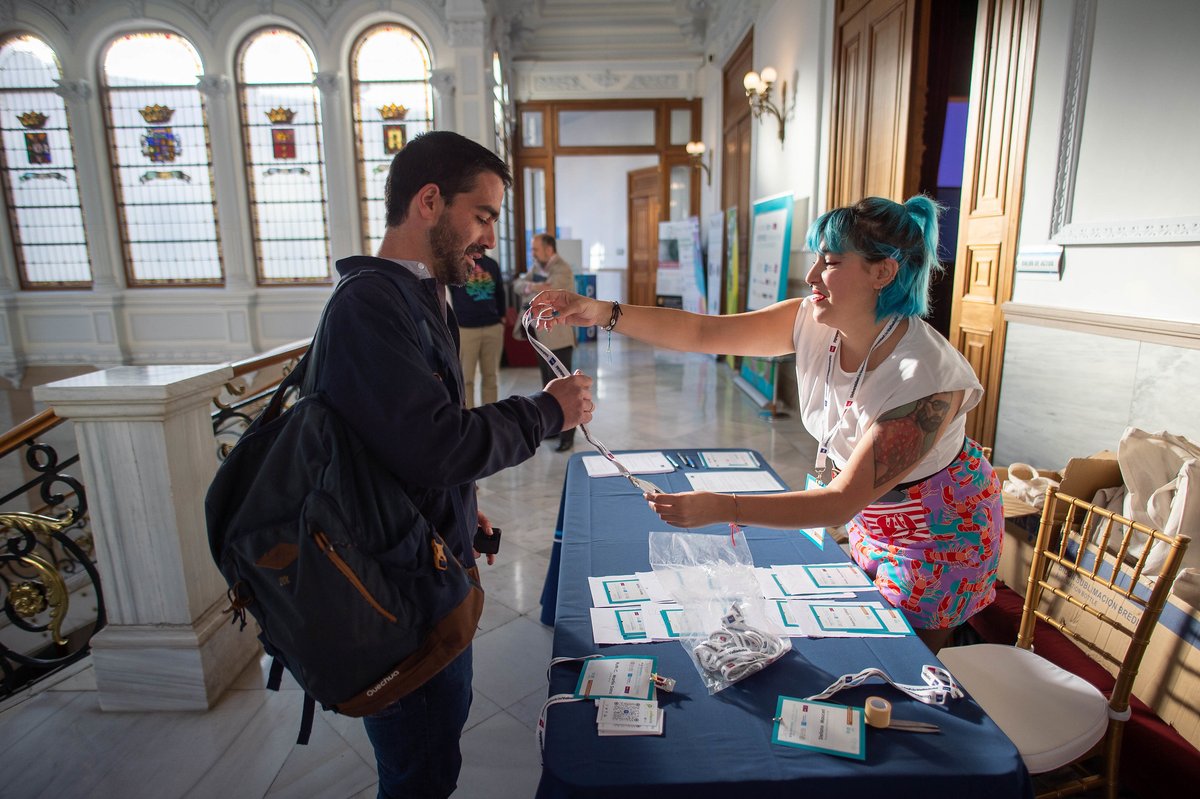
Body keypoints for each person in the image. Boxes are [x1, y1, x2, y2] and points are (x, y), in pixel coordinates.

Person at [529, 195, 1001, 653]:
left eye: (831, 262)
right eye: (816, 259)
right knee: (864, 630)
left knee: (904, 658)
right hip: (871, 519)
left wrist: (722, 507)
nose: (813, 275)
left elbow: (838, 503)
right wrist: (602, 312)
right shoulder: (814, 321)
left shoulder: (927, 379)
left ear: (883, 271)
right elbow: (702, 332)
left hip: (939, 534)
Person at [311, 130, 594, 798]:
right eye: (484, 215)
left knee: (435, 751)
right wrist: (546, 412)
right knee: (420, 770)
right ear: (430, 201)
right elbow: (438, 442)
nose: (490, 238)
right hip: (394, 605)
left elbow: (399, 445)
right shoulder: (368, 306)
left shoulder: (416, 292)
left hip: (422, 563)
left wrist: (457, 508)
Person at [514, 233, 577, 451]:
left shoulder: (563, 268)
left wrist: (532, 286)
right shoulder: (538, 269)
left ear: (549, 250)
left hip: (559, 338)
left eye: (535, 250)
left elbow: (552, 292)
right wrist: (534, 286)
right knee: (548, 387)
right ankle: (554, 427)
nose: (532, 253)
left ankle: (568, 435)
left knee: (565, 386)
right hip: (541, 336)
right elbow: (517, 285)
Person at [449, 251, 507, 407]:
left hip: (492, 326)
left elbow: (500, 292)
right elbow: (452, 291)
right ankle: (469, 419)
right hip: (467, 329)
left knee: (491, 376)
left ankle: (491, 417)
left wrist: (502, 316)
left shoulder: (492, 264)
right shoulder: (458, 263)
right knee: (466, 379)